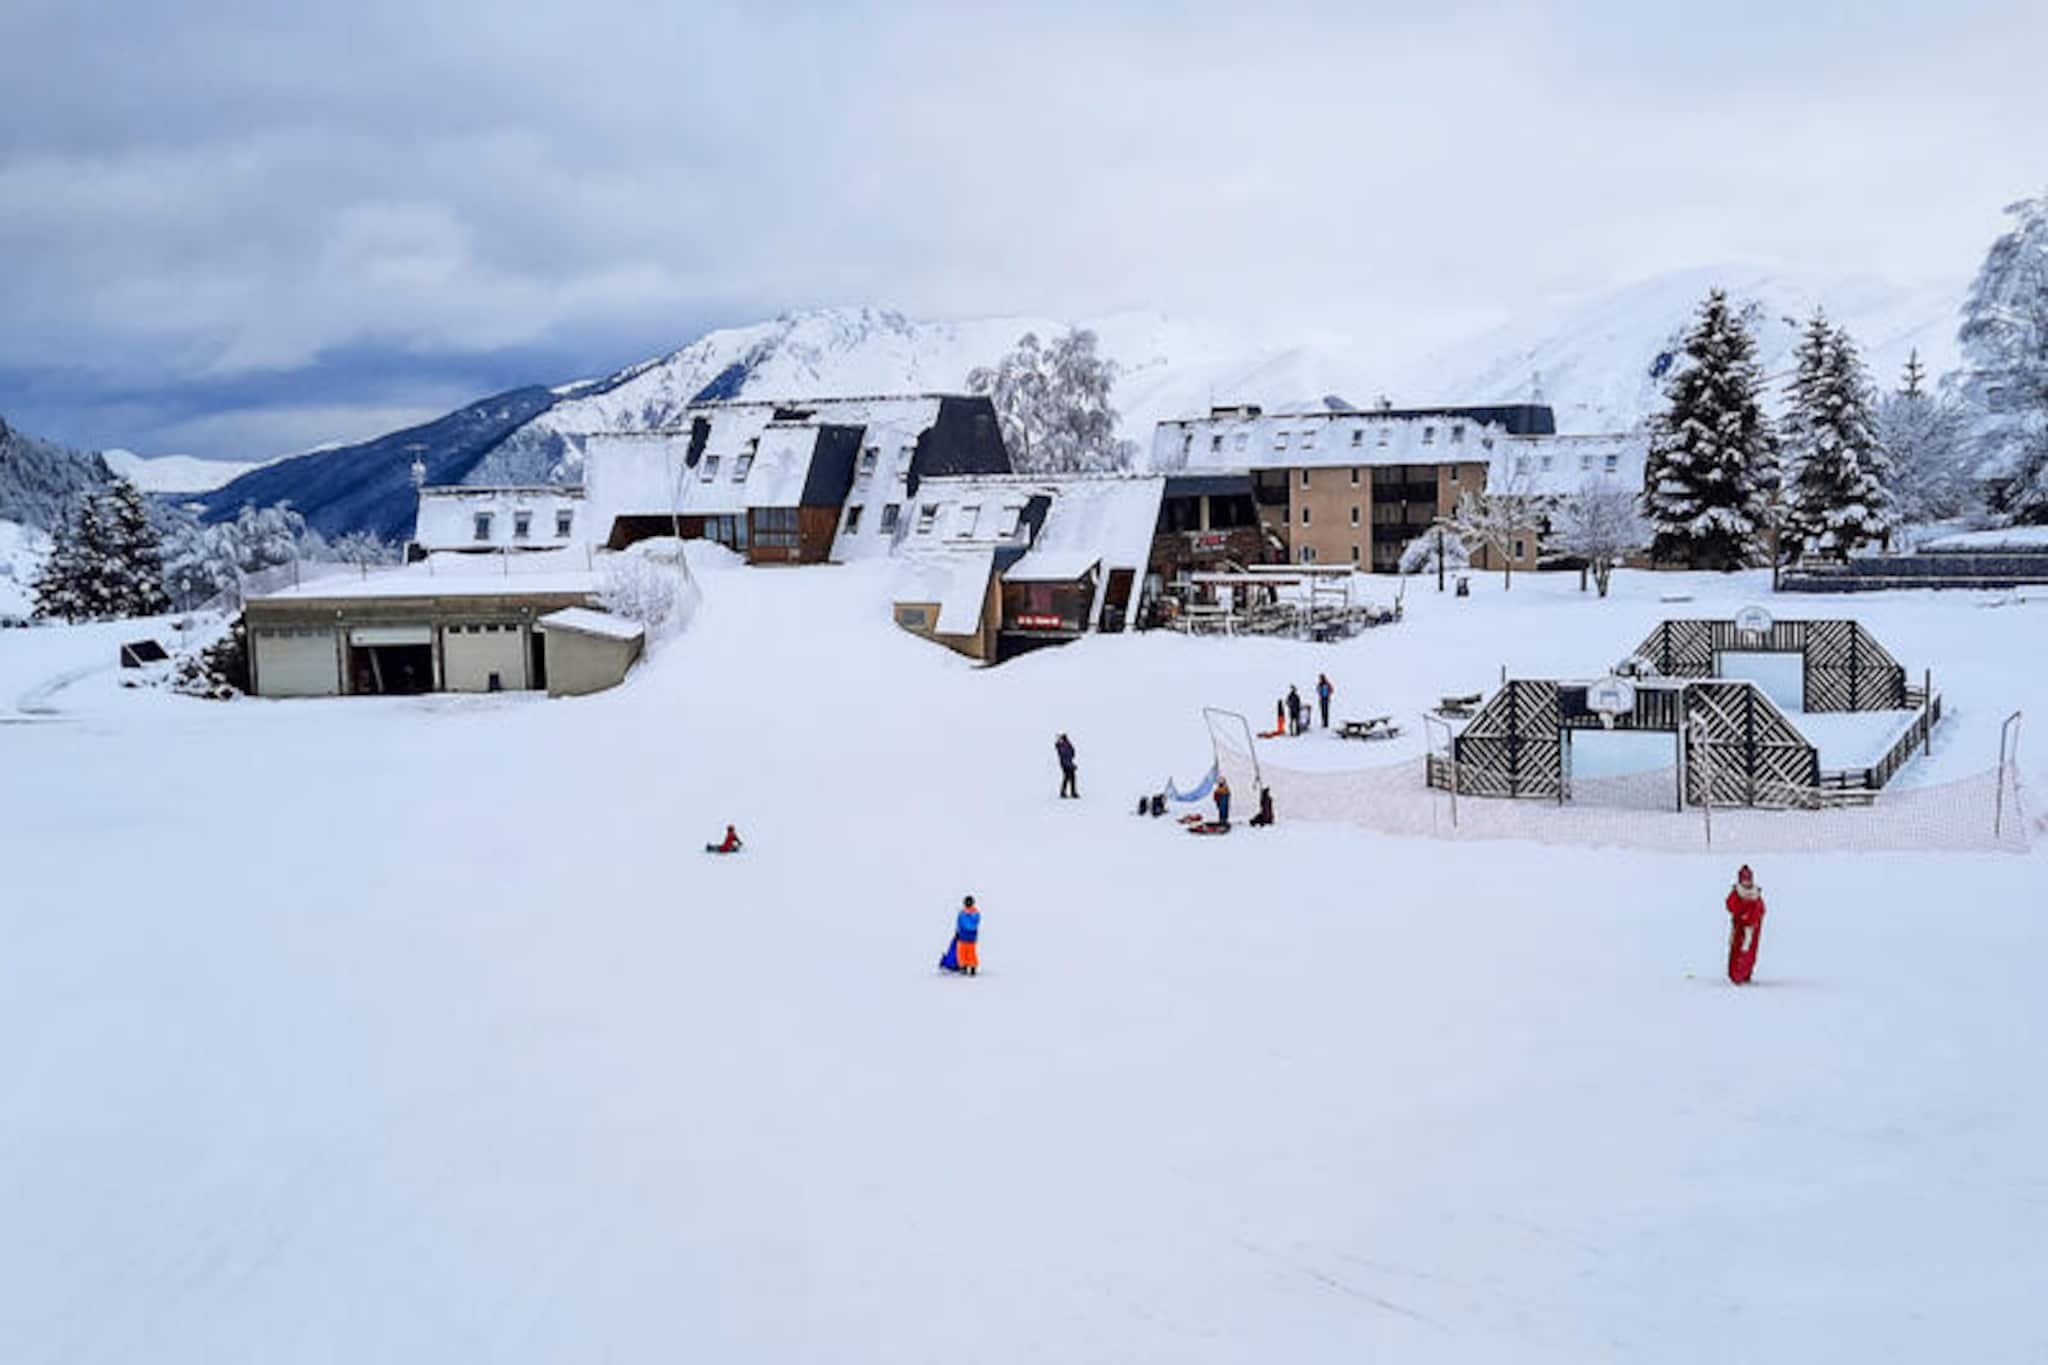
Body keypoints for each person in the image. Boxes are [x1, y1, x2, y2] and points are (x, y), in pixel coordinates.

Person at [1724, 864, 1766, 984]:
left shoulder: (1755, 894)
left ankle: (1745, 973)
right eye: (1744, 880)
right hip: (1739, 928)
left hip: (1751, 930)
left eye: (1748, 880)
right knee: (1737, 951)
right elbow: (1730, 905)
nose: (1746, 883)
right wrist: (1742, 912)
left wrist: (1752, 919)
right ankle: (1735, 974)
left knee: (1748, 952)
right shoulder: (1737, 892)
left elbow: (1760, 909)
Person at [1055, 733, 1079, 799]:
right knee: (1067, 777)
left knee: (1071, 777)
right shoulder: (1061, 746)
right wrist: (1071, 765)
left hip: (1069, 763)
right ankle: (1066, 792)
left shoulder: (1067, 744)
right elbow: (1065, 756)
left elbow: (1072, 752)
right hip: (1065, 764)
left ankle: (1070, 792)